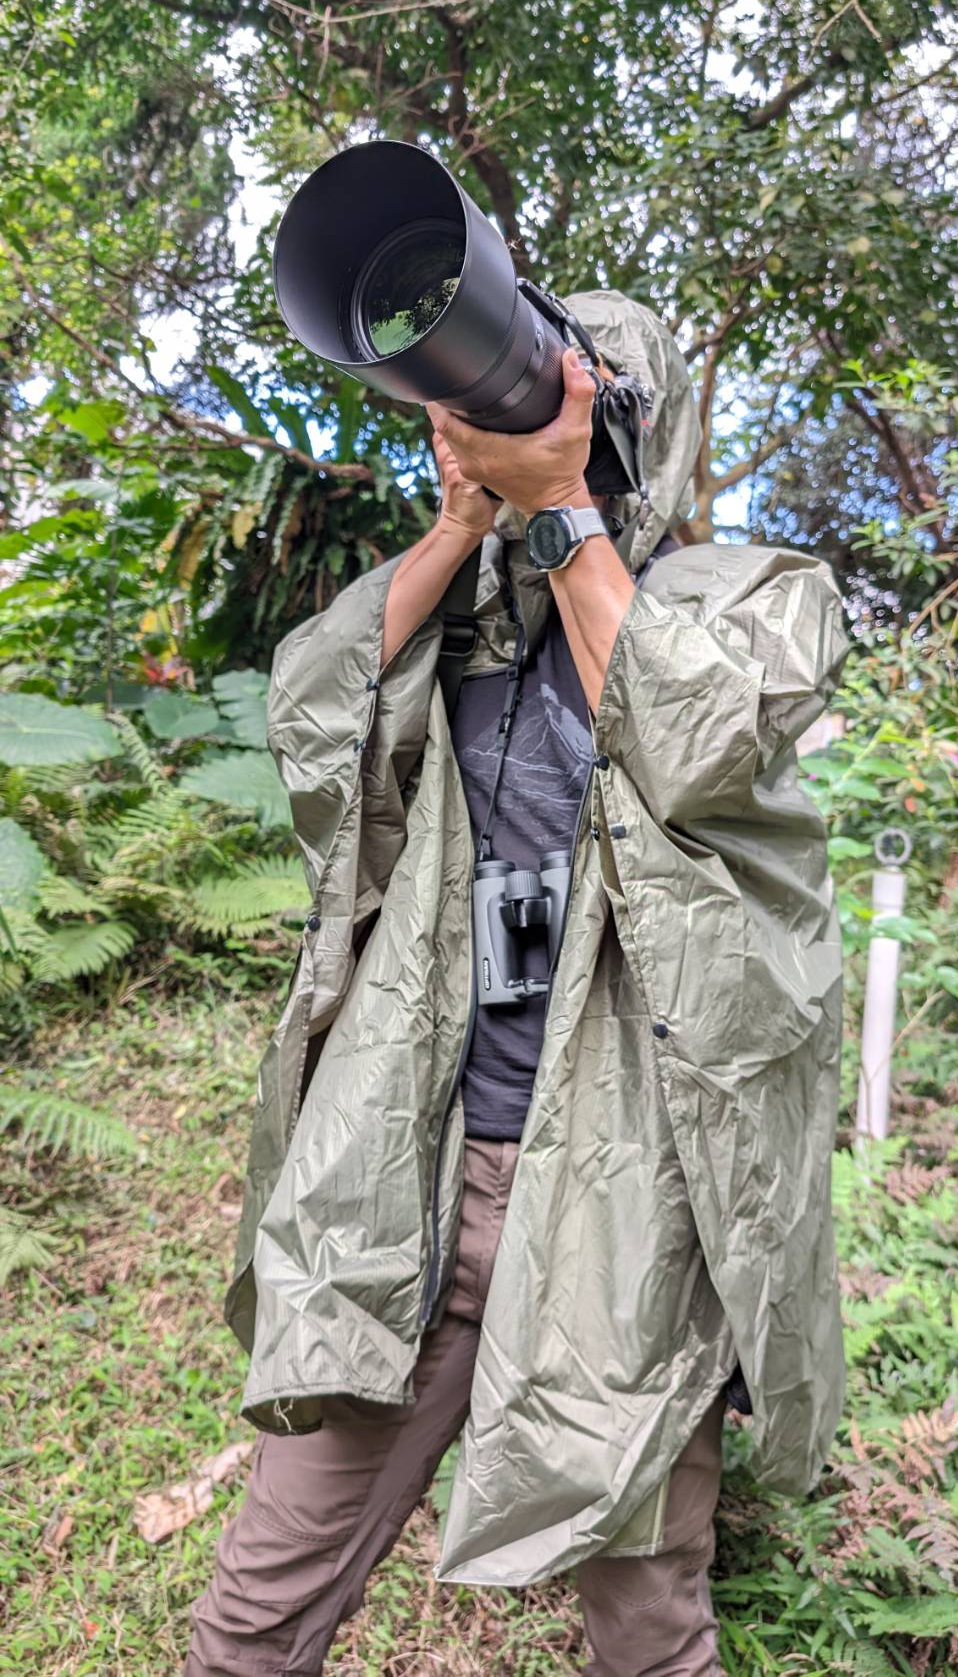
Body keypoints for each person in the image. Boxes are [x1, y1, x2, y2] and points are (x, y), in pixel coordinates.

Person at [184, 293, 849, 1677]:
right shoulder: (464, 614)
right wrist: (463, 521)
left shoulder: (754, 598)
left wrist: (569, 513)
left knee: (647, 1614)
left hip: (632, 1199)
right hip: (421, 1173)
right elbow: (315, 719)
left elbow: (687, 741)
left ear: (637, 424)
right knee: (261, 1593)